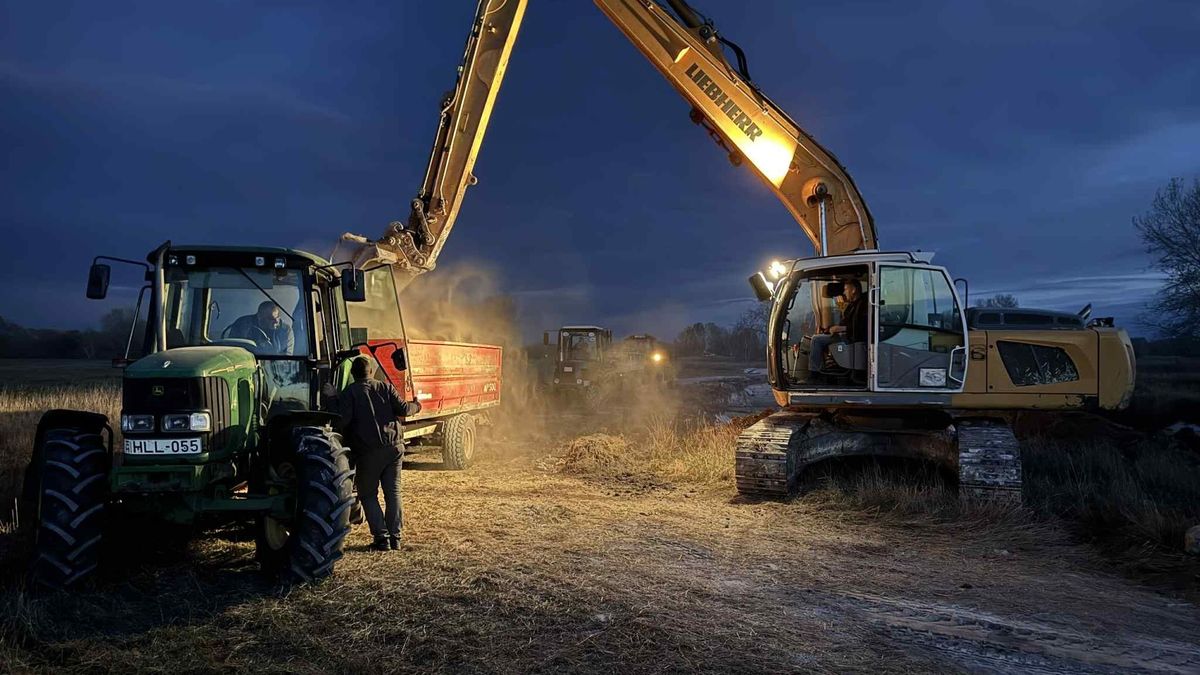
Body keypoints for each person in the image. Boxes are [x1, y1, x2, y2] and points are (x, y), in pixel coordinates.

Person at [323, 355, 421, 552]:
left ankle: (382, 538)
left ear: (353, 374)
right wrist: (417, 405)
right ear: (370, 371)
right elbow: (404, 409)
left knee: (368, 495)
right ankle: (396, 538)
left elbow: (341, 420)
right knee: (393, 492)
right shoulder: (385, 387)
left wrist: (332, 398)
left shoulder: (350, 392)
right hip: (394, 447)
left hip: (368, 452)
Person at [809, 279, 868, 377]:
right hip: (844, 334)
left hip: (850, 337)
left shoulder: (862, 305)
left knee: (816, 340)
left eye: (845, 289)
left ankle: (814, 374)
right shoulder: (852, 305)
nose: (844, 292)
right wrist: (830, 329)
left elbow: (862, 326)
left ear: (853, 290)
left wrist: (841, 329)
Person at [226, 300, 294, 354]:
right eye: (271, 318)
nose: (276, 321)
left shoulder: (285, 330)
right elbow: (233, 350)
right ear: (260, 317)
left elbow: (287, 357)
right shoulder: (242, 324)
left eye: (278, 317)